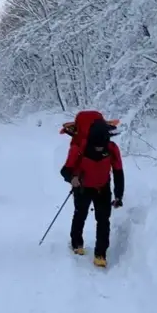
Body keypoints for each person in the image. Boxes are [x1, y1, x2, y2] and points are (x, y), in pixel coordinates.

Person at [59, 113, 124, 267]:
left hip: (103, 187)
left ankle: (100, 254)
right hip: (82, 188)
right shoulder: (78, 149)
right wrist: (72, 179)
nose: (99, 147)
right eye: (96, 144)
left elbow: (118, 172)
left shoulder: (112, 149)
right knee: (80, 214)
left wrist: (118, 195)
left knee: (103, 220)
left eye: (102, 143)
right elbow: (65, 170)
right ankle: (77, 243)